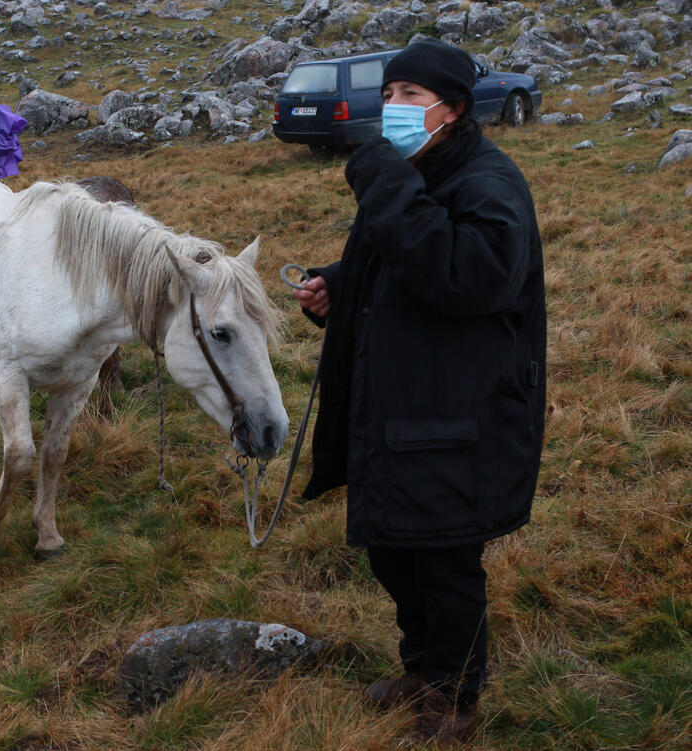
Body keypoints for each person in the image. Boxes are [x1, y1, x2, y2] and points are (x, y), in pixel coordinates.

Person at [292, 39, 546, 746]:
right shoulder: (417, 167)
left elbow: (470, 273)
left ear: (453, 110)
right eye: (391, 92)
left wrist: (378, 173)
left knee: (443, 563)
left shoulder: (489, 183)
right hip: (407, 409)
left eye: (410, 96)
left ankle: (456, 702)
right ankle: (423, 669)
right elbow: (393, 253)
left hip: (464, 416)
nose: (393, 108)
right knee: (393, 548)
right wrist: (337, 284)